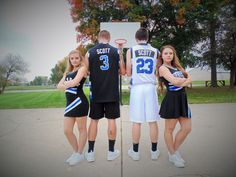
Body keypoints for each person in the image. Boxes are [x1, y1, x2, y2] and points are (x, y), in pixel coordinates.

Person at [84, 30, 126, 162]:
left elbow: (86, 72)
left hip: (96, 92)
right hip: (111, 92)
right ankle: (111, 152)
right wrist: (121, 54)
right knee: (111, 121)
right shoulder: (115, 51)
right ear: (109, 38)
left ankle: (90, 152)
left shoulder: (89, 52)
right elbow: (123, 72)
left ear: (98, 38)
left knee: (94, 121)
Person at [126, 27, 160, 161]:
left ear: (136, 38)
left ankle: (135, 152)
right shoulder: (155, 51)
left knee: (136, 121)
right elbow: (158, 70)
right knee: (152, 121)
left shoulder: (131, 50)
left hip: (137, 88)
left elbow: (128, 73)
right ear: (148, 38)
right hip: (150, 87)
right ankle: (154, 151)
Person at [157, 45, 192, 168]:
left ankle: (173, 151)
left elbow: (188, 78)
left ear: (173, 55)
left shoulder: (177, 67)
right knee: (169, 130)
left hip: (182, 99)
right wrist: (186, 82)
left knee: (187, 128)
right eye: (166, 53)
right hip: (172, 99)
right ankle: (172, 154)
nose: (168, 55)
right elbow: (176, 82)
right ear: (162, 55)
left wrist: (183, 81)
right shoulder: (163, 68)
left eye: (171, 53)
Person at [57, 50, 89, 166]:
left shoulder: (83, 69)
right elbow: (58, 86)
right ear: (69, 60)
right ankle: (76, 152)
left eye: (76, 58)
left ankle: (79, 153)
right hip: (70, 104)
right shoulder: (68, 71)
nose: (74, 60)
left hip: (79, 102)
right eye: (72, 58)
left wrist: (69, 83)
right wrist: (69, 84)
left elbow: (75, 82)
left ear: (80, 59)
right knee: (67, 131)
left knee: (82, 129)